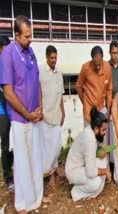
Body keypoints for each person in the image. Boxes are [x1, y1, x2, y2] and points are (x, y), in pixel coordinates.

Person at [0, 15, 44, 213]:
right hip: (20, 119)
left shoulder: (31, 51)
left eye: (31, 35)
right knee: (22, 161)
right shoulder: (7, 55)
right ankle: (23, 203)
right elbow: (8, 93)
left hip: (35, 118)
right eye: (27, 36)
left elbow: (37, 81)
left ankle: (37, 198)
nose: (30, 39)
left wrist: (40, 108)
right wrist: (27, 113)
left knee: (35, 158)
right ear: (16, 35)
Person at [65, 106, 112, 201]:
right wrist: (106, 171)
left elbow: (90, 153)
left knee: (102, 160)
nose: (105, 133)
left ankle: (85, 188)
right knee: (95, 183)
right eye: (103, 130)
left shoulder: (89, 131)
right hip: (73, 171)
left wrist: (99, 153)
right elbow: (91, 173)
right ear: (96, 129)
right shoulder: (90, 140)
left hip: (81, 166)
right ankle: (76, 192)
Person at [39, 45, 65, 188]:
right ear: (47, 57)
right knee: (47, 149)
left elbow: (60, 94)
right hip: (45, 116)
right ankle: (48, 177)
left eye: (56, 58)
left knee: (56, 147)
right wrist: (40, 110)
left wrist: (63, 111)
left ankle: (53, 172)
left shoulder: (59, 73)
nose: (54, 60)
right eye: (52, 58)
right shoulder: (41, 71)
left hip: (56, 114)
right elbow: (39, 92)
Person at [76, 46, 113, 126]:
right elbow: (78, 87)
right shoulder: (85, 68)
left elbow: (109, 90)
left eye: (99, 64)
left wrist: (108, 110)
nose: (98, 67)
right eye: (96, 64)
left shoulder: (108, 68)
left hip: (102, 110)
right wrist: (84, 102)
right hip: (88, 111)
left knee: (101, 137)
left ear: (103, 58)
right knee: (89, 137)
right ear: (92, 59)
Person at [0, 35, 13, 192]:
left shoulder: (10, 65)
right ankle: (7, 176)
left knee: (16, 144)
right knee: (5, 144)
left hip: (14, 110)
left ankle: (15, 170)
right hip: (3, 111)